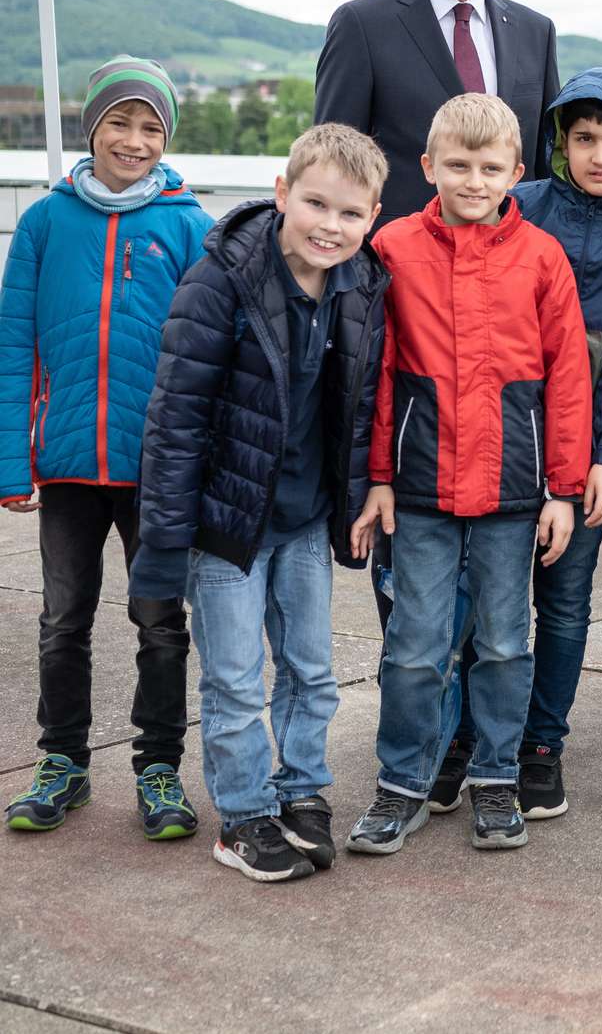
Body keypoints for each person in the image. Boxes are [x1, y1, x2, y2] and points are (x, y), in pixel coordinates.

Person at [130, 124, 389, 881]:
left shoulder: (362, 285)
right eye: (314, 203)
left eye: (350, 213)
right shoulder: (221, 279)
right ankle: (242, 814)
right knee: (237, 678)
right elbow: (174, 418)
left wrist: (366, 490)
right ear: (281, 194)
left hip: (306, 521)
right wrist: (164, 545)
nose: (329, 225)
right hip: (227, 529)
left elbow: (362, 402)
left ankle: (300, 789)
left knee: (311, 669)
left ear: (372, 217)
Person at [344, 93, 590, 857]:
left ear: (517, 170)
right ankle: (402, 784)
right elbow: (377, 374)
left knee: (507, 645)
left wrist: (563, 488)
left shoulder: (542, 256)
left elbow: (568, 377)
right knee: (415, 646)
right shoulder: (392, 248)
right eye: (458, 164)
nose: (474, 180)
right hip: (417, 493)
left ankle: (494, 780)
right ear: (429, 167)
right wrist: (378, 474)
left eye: (490, 167)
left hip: (514, 495)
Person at [1, 57, 213, 840]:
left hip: (157, 471)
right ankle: (63, 762)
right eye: (120, 122)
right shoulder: (45, 222)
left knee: (160, 622)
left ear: (166, 139)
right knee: (63, 620)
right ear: (91, 128)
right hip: (64, 467)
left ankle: (158, 768)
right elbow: (13, 344)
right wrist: (8, 460)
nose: (134, 139)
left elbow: (210, 358)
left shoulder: (189, 226)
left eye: (151, 126)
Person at [472, 67, 602, 821]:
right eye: (584, 137)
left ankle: (542, 744)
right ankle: (468, 734)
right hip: (499, 442)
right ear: (559, 142)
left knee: (563, 603)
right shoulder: (517, 207)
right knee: (484, 601)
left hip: (581, 449)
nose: (599, 154)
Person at [314, 0, 561, 227]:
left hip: (510, 263)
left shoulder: (536, 32)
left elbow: (544, 168)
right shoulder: (361, 25)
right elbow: (333, 160)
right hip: (397, 265)